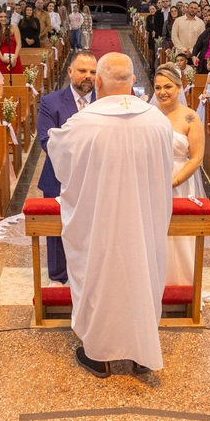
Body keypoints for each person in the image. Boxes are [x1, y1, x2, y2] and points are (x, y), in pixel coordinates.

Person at [46, 53, 174, 378]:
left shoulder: (83, 123)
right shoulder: (158, 121)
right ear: (133, 82)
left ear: (98, 82)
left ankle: (100, 355)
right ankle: (142, 353)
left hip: (100, 222)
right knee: (143, 275)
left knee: (102, 279)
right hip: (144, 222)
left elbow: (60, 162)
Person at [36, 51, 97, 284]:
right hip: (59, 177)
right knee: (57, 228)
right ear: (70, 72)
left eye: (92, 72)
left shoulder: (104, 102)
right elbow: (46, 141)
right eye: (82, 71)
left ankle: (91, 273)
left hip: (95, 178)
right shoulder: (50, 101)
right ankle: (58, 276)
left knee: (93, 228)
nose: (88, 76)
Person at [152, 64, 205, 288]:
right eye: (157, 87)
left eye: (168, 86)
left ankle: (182, 282)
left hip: (179, 180)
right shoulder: (149, 114)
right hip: (152, 179)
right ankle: (154, 280)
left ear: (179, 87)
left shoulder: (190, 118)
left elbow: (196, 158)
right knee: (154, 231)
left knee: (178, 233)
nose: (162, 92)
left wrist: (173, 182)